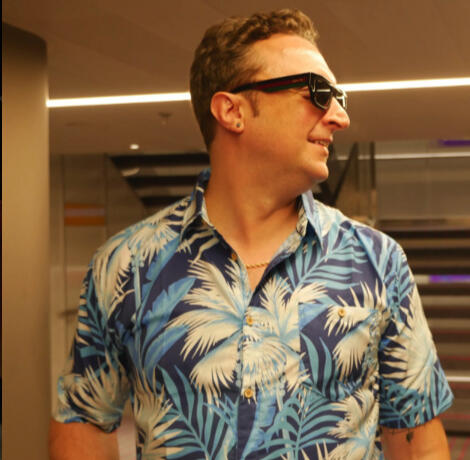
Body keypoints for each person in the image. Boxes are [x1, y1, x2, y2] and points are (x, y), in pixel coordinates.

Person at [49, 8, 453, 460]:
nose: (339, 117)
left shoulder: (377, 260)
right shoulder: (127, 264)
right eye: (318, 93)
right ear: (232, 111)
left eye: (339, 98)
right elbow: (84, 422)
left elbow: (416, 438)